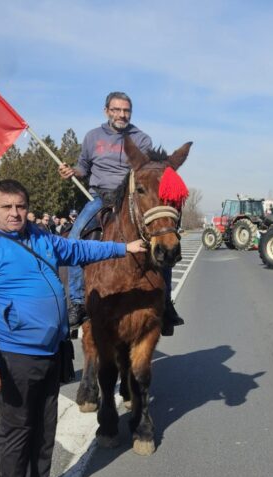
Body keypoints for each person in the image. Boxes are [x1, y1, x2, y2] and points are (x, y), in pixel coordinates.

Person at [0, 179, 147, 477]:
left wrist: (124, 247)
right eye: (7, 207)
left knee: (45, 427)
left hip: (51, 350)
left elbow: (79, 251)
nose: (15, 213)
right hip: (13, 354)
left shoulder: (42, 237)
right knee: (17, 430)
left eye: (21, 206)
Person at [57, 91, 162, 328]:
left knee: (160, 238)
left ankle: (166, 303)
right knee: (74, 240)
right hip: (99, 198)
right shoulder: (92, 137)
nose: (121, 114)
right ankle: (77, 302)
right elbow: (83, 166)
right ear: (106, 111)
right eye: (116, 110)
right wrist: (72, 172)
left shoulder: (142, 139)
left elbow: (146, 171)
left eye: (126, 110)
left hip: (129, 199)